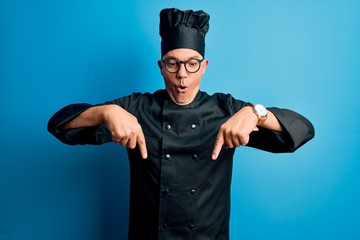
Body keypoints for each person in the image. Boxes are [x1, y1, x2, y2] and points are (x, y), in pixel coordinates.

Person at [48, 8, 315, 240]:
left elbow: (302, 131)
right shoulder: (137, 107)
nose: (182, 75)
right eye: (173, 64)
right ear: (161, 66)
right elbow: (60, 126)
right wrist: (105, 112)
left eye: (192, 64)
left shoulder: (226, 109)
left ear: (205, 65)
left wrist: (256, 113)